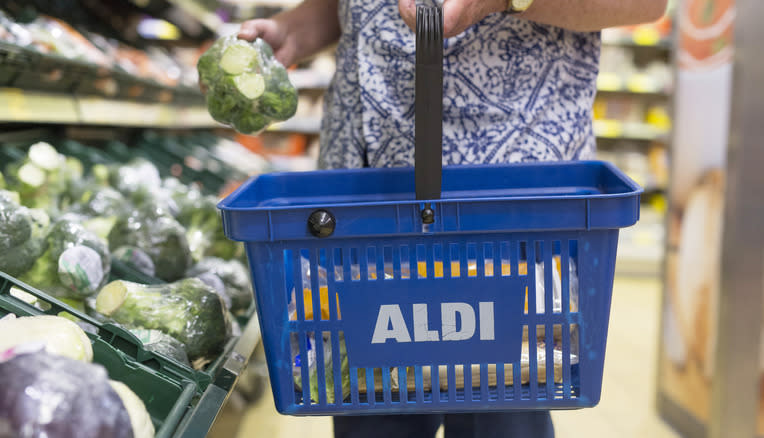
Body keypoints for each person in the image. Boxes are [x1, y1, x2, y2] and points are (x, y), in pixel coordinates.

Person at [238, 0, 666, 436]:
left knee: (504, 404)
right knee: (366, 405)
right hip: (360, 204)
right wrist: (293, 29)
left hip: (509, 197)